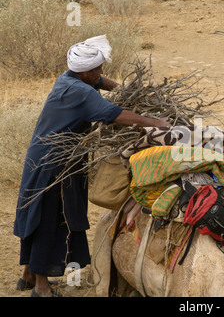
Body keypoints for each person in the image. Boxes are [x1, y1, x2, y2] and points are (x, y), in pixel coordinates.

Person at [13, 35, 170, 297]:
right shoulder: (81, 92)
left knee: (36, 214)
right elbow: (116, 115)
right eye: (96, 69)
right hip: (57, 166)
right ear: (84, 72)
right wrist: (155, 122)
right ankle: (41, 288)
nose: (100, 74)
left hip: (42, 158)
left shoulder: (68, 78)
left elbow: (100, 82)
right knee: (48, 220)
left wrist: (122, 90)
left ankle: (28, 275)